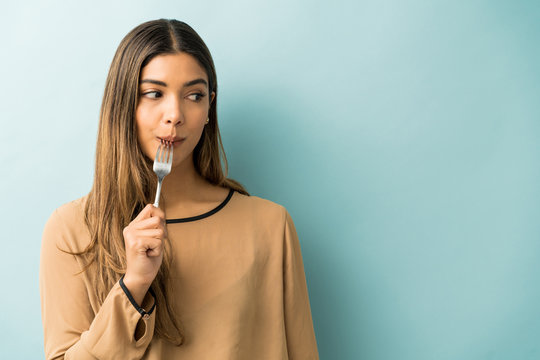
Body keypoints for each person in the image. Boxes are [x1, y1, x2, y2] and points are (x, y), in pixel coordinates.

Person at [39, 18, 319, 359]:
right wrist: (134, 285)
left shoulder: (271, 227)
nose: (175, 114)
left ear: (208, 107)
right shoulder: (72, 230)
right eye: (154, 93)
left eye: (194, 95)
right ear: (123, 104)